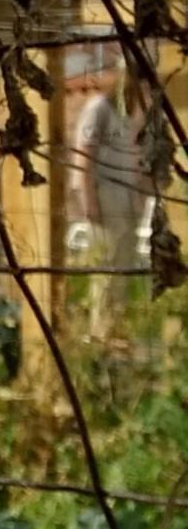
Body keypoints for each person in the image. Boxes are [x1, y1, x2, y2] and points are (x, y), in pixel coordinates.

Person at [70, 58, 150, 343]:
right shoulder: (99, 109)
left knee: (124, 264)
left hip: (127, 195)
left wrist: (140, 194)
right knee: (106, 265)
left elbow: (138, 156)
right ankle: (100, 332)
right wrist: (89, 202)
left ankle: (116, 331)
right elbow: (84, 157)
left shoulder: (136, 111)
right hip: (105, 193)